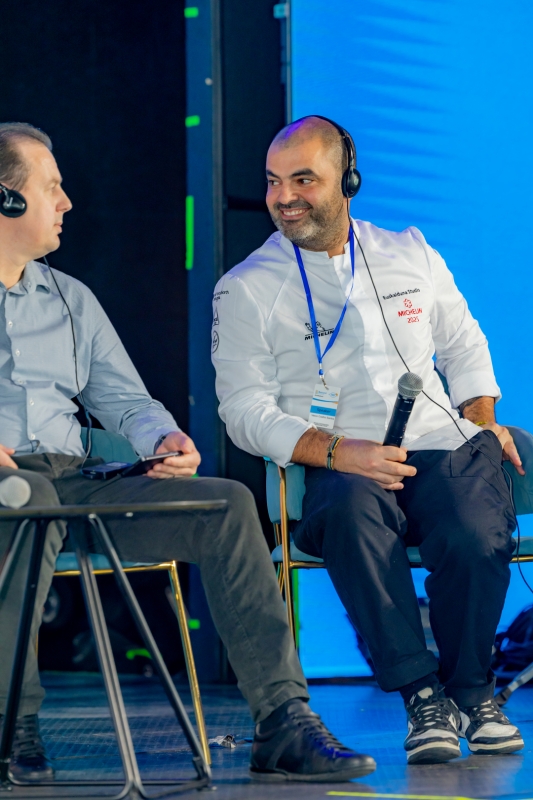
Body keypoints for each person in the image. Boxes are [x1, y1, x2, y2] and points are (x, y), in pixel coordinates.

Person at [0, 122, 376, 784]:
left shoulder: (70, 299)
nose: (66, 202)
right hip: (12, 489)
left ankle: (283, 721)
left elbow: (125, 401)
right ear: (6, 199)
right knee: (28, 498)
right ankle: (12, 726)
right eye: (51, 187)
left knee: (224, 504)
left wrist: (163, 439)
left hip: (72, 480)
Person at [212, 115, 526, 765]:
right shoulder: (246, 286)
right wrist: (334, 450)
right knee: (353, 517)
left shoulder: (409, 251)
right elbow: (241, 408)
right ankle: (422, 696)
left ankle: (472, 691)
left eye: (303, 180)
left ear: (347, 181)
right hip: (336, 459)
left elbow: (464, 344)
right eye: (273, 182)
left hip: (436, 440)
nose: (284, 197)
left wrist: (481, 417)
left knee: (475, 526)